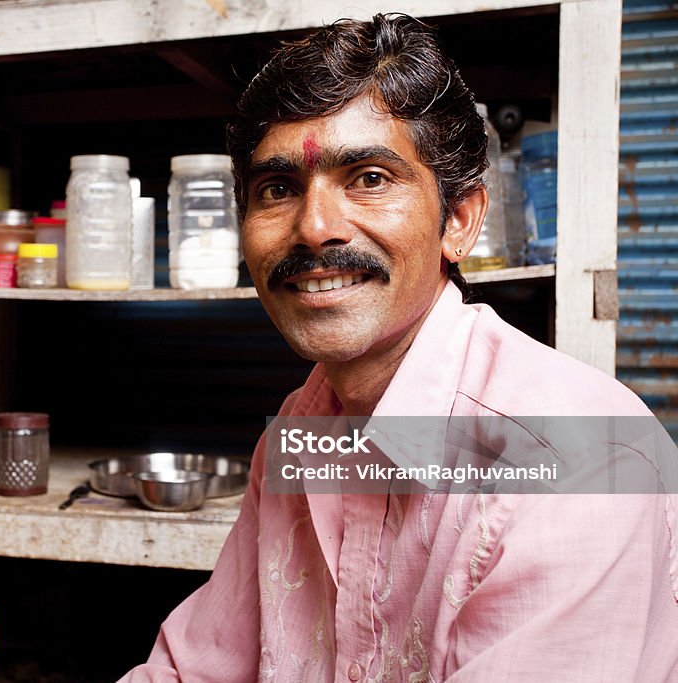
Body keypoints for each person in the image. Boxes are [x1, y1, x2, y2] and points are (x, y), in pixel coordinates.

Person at [119, 13, 678, 682]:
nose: (315, 228)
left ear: (460, 220)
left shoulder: (581, 461)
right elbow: (194, 669)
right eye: (277, 189)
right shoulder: (300, 434)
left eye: (370, 178)